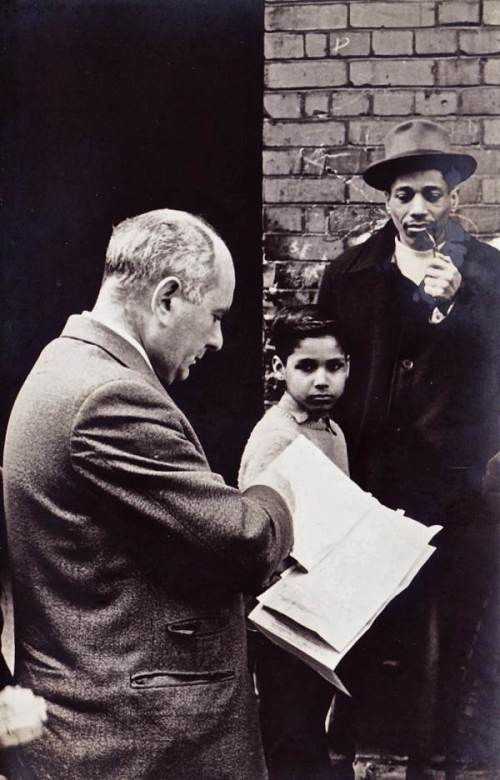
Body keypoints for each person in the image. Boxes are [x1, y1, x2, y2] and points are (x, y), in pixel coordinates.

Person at [2, 209, 294, 780]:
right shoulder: (111, 397)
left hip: (103, 722)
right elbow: (246, 538)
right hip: (136, 738)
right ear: (166, 298)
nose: (217, 339)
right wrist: (276, 489)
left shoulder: (66, 362)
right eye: (214, 316)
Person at [317, 119, 500, 778]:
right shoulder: (350, 273)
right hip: (372, 482)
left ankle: (435, 759)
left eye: (431, 193)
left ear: (454, 197)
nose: (417, 208)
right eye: (403, 195)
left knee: (453, 627)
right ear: (385, 201)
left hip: (459, 484)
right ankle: (342, 749)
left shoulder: (488, 273)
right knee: (365, 621)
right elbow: (327, 369)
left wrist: (453, 314)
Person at [239, 305, 350, 780]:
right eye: (306, 367)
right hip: (283, 613)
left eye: (335, 366)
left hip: (324, 606)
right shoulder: (275, 436)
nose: (322, 380)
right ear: (279, 368)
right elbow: (250, 528)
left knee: (314, 722)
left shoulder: (333, 430)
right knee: (290, 730)